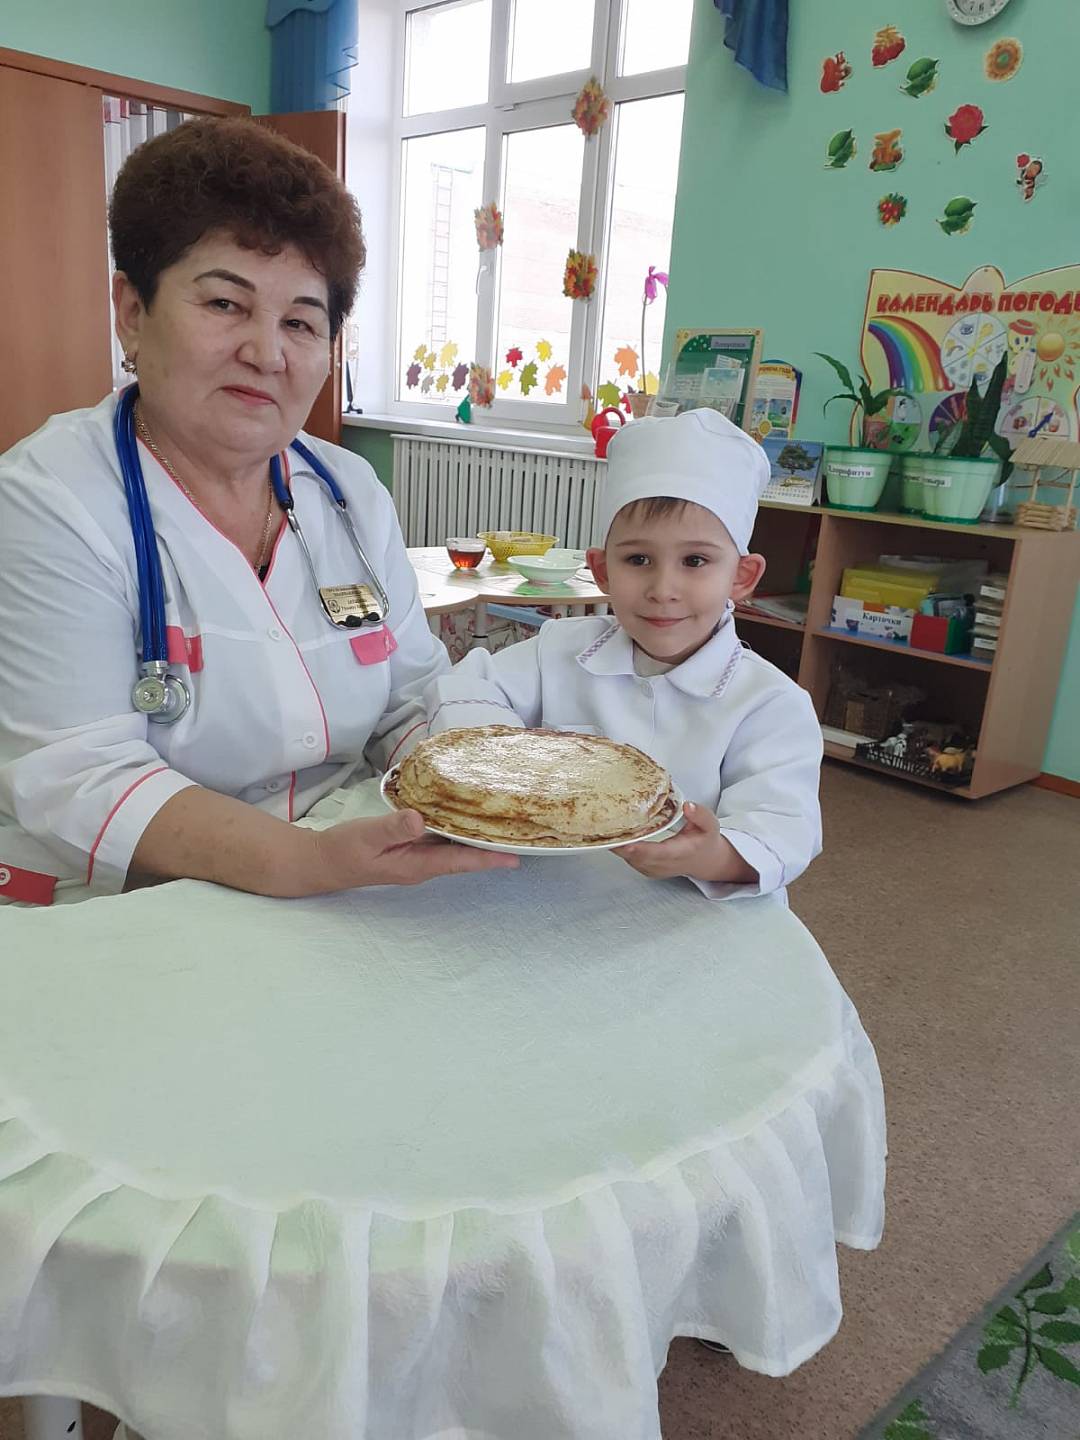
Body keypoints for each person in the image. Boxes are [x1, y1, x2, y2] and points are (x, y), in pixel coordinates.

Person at [0, 117, 515, 905]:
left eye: (301, 322)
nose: (267, 353)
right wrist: (305, 863)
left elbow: (410, 699)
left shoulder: (349, 493)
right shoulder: (49, 500)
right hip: (128, 901)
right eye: (224, 303)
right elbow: (82, 774)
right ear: (132, 310)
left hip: (344, 866)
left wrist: (467, 791)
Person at [419, 408, 822, 900]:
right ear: (602, 570)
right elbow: (466, 687)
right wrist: (498, 768)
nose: (663, 588)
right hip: (548, 889)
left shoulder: (770, 703)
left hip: (687, 905)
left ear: (741, 577)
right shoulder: (560, 647)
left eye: (695, 560)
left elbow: (784, 826)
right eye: (638, 559)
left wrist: (712, 854)